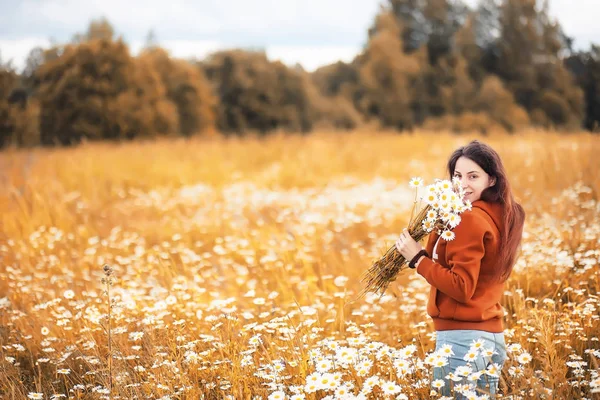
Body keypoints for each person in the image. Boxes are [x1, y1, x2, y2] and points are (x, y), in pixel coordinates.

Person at [395, 140, 525, 398]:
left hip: (462, 341)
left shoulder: (469, 218)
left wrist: (417, 258)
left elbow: (461, 287)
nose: (462, 184)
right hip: (490, 339)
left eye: (473, 176)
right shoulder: (501, 214)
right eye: (457, 175)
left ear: (491, 180)